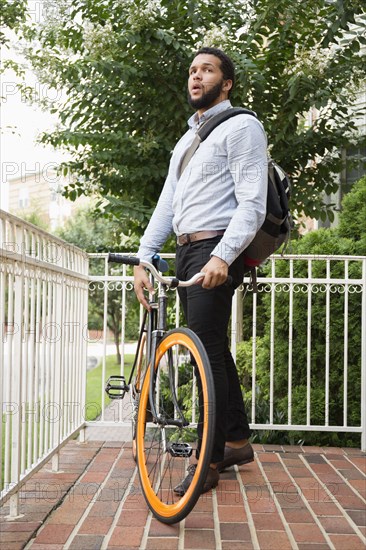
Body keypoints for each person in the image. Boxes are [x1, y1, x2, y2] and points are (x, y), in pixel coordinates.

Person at [134, 46, 268, 494]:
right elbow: (167, 204)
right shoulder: (187, 140)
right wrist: (144, 256)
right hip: (188, 248)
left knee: (202, 352)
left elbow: (252, 201)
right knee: (211, 348)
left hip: (215, 246)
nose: (196, 77)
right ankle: (236, 440)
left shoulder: (242, 126)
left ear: (225, 83)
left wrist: (222, 256)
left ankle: (206, 461)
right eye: (192, 70)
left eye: (207, 70)